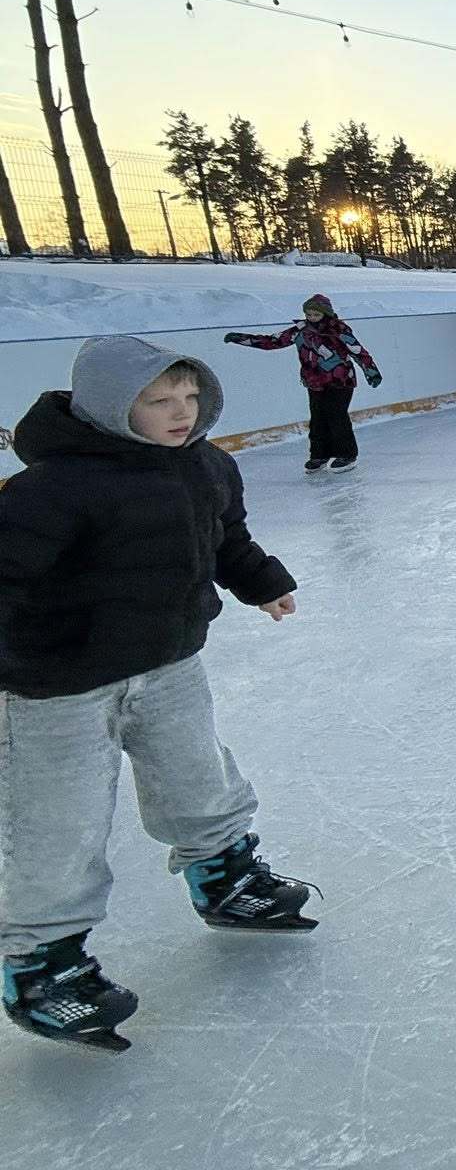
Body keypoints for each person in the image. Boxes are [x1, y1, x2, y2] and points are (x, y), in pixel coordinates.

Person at [0, 337, 313, 1052]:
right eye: (159, 402)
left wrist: (261, 582)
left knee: (199, 775)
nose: (181, 413)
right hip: (59, 682)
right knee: (60, 819)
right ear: (114, 407)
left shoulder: (207, 466)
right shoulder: (53, 488)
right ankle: (42, 966)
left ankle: (226, 877)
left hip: (168, 662)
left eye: (190, 398)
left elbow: (225, 537)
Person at [223, 294, 383, 473]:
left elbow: (358, 351)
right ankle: (319, 456)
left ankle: (347, 455)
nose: (311, 318)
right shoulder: (300, 330)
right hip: (314, 381)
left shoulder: (338, 329)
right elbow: (272, 341)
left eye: (316, 314)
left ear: (326, 313)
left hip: (341, 380)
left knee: (336, 416)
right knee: (317, 419)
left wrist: (372, 372)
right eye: (308, 314)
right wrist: (241, 338)